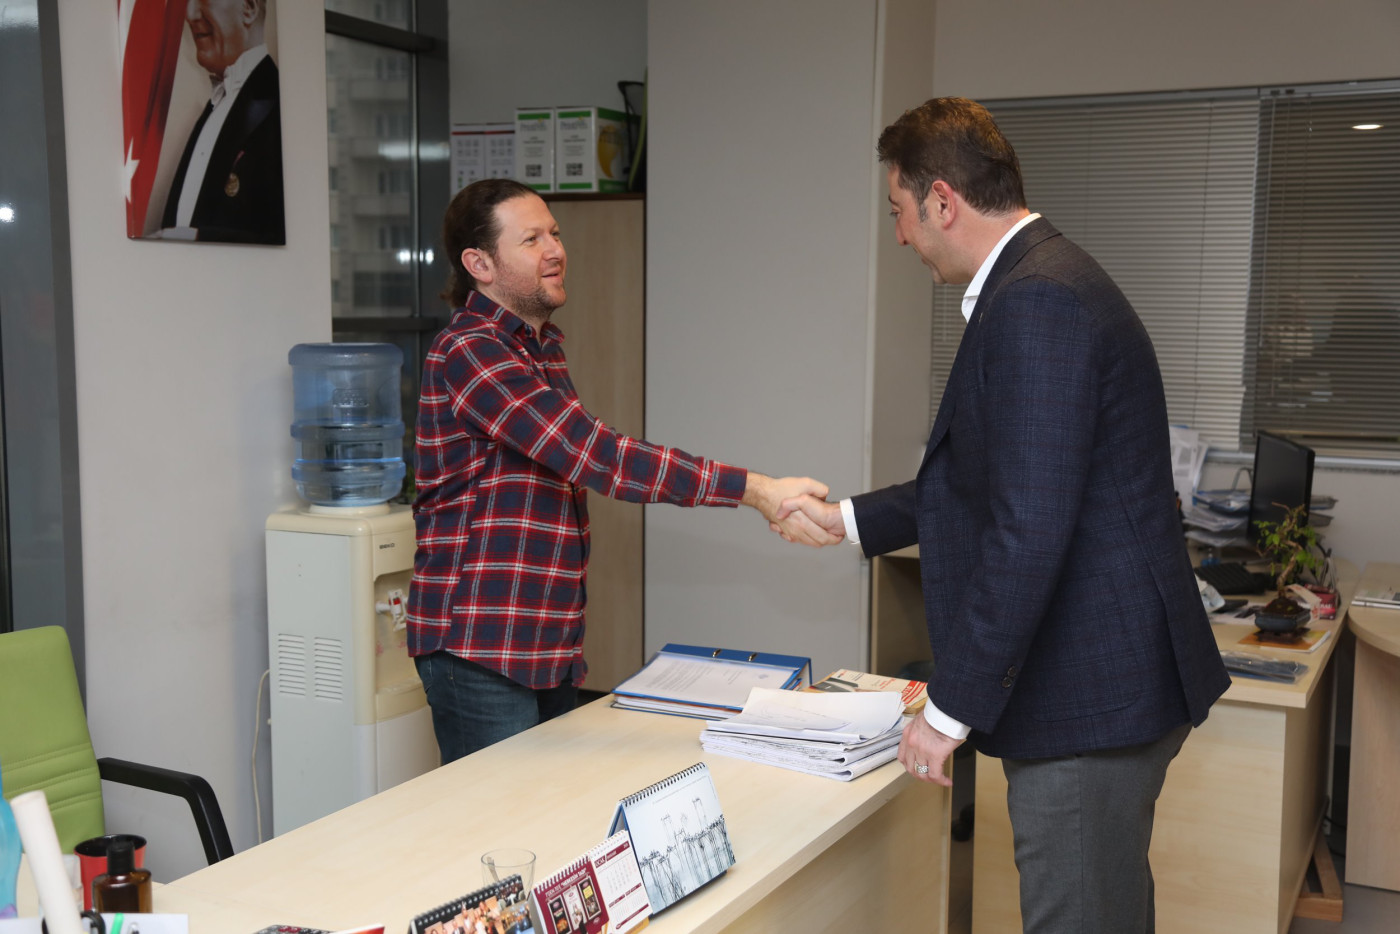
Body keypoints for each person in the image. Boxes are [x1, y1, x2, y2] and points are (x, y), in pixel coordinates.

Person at [777, 98, 1231, 933]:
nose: (900, 237)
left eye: (899, 211)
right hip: (1104, 688)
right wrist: (846, 519)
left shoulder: (1036, 302)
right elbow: (988, 480)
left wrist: (948, 711)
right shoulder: (1043, 280)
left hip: (1085, 699)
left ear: (942, 200)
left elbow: (1028, 529)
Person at [409, 178, 834, 763]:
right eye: (531, 240)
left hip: (541, 646)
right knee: (498, 818)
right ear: (479, 264)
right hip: (479, 645)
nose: (556, 250)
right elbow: (597, 456)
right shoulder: (470, 348)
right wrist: (754, 489)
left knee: (549, 811)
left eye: (554, 233)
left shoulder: (540, 348)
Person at [160, 0, 284, 244]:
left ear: (249, 8)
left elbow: (287, 234)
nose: (189, 14)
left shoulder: (280, 104)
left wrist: (198, 238)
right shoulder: (216, 104)